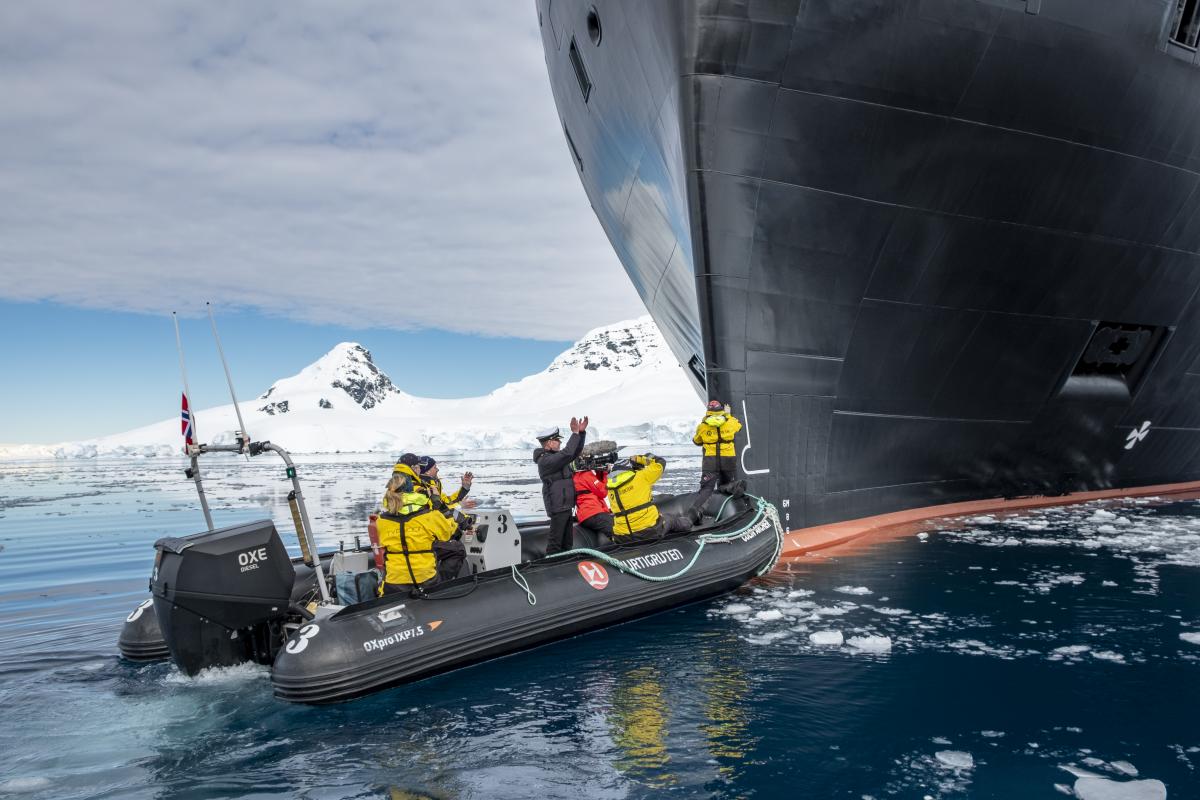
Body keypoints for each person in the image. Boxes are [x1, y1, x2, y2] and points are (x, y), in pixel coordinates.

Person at [376, 481, 468, 594]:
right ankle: (440, 588)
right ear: (412, 493)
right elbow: (449, 531)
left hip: (393, 585)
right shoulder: (428, 515)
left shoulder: (381, 521)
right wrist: (438, 503)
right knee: (458, 549)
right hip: (426, 581)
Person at [533, 416, 588, 555]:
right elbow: (568, 452)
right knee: (555, 541)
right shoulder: (546, 461)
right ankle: (551, 564)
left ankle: (566, 562)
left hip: (566, 505)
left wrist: (581, 434)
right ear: (549, 443)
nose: (560, 442)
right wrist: (575, 433)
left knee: (567, 541)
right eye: (557, 440)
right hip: (558, 506)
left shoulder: (556, 458)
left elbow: (574, 452)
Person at [607, 453, 692, 543]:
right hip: (649, 531)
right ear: (629, 468)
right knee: (670, 519)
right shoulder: (641, 476)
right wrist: (639, 459)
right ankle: (692, 524)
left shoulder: (610, 488)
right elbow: (660, 462)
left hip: (622, 537)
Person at [687, 399, 744, 522]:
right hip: (728, 459)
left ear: (708, 411)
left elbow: (696, 441)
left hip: (710, 461)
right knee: (725, 483)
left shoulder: (702, 426)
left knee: (707, 488)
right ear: (721, 410)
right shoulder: (730, 422)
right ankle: (734, 487)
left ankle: (695, 513)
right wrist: (728, 415)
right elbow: (739, 427)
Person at [573, 454, 614, 541]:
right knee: (617, 530)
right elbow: (603, 492)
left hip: (586, 514)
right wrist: (604, 473)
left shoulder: (576, 476)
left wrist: (600, 472)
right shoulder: (586, 475)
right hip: (593, 513)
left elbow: (595, 487)